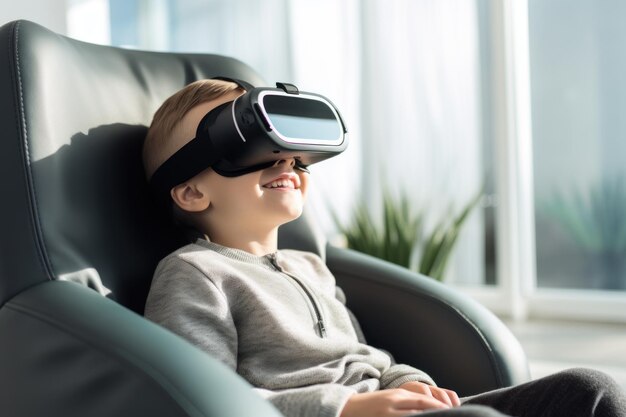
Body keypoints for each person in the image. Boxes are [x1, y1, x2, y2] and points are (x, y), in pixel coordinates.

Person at [143, 79, 626, 417]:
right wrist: (346, 409)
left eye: (291, 151)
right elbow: (205, 400)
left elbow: (368, 359)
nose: (282, 159)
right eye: (243, 143)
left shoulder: (309, 266)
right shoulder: (195, 273)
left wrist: (406, 384)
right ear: (190, 192)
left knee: (589, 391)